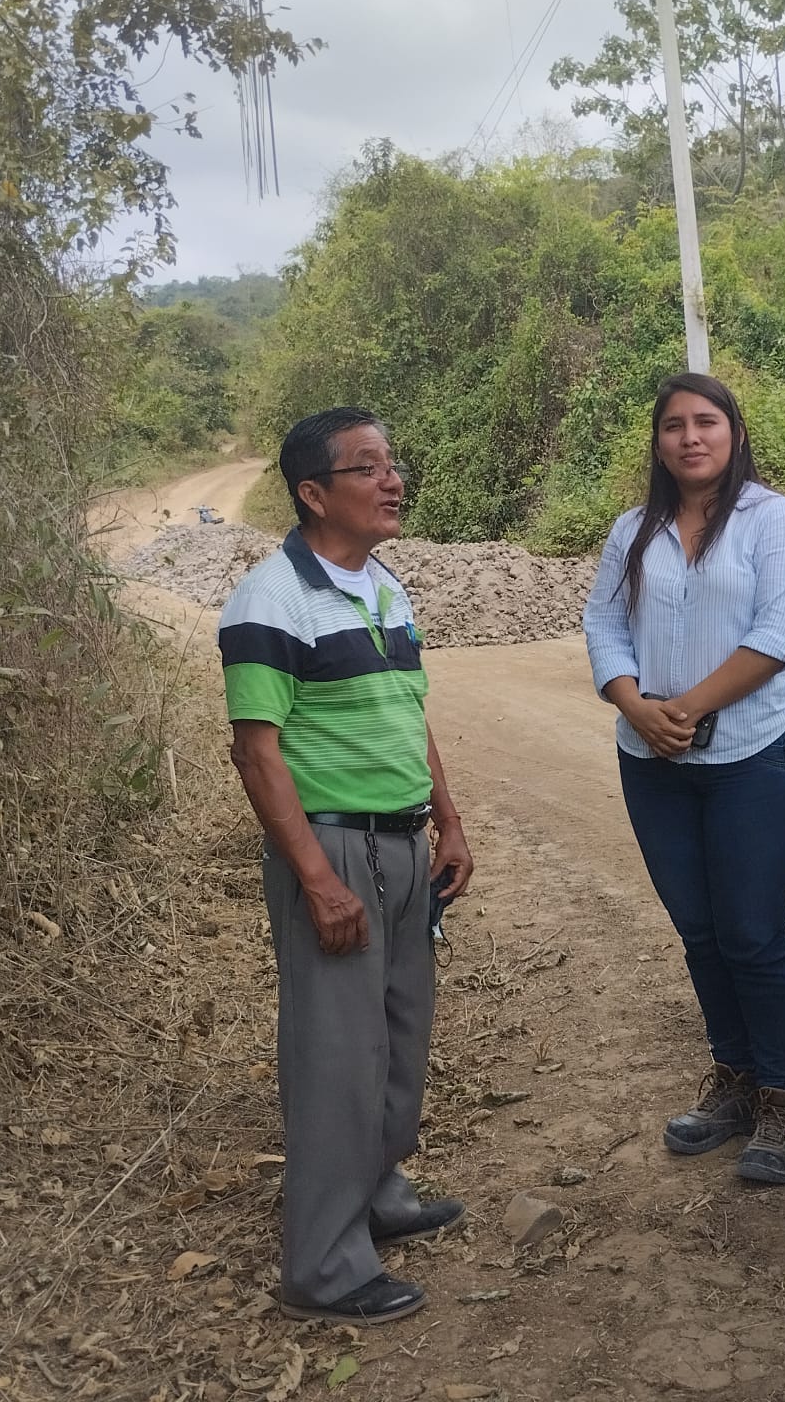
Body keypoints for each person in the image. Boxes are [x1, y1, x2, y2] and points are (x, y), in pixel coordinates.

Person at [219, 407, 474, 1326]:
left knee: (401, 1036)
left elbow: (408, 712)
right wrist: (317, 881)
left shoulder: (385, 588)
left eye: (391, 463)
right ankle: (323, 1269)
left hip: (402, 842)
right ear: (314, 493)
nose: (392, 480)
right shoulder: (269, 600)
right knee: (336, 1053)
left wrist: (447, 819)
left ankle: (379, 1194)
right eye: (367, 468)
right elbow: (257, 754)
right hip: (330, 846)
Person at [582, 373, 785, 1185]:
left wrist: (681, 708)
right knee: (700, 932)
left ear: (734, 433)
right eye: (674, 425)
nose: (690, 437)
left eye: (706, 422)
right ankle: (735, 1081)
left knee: (752, 935)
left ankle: (783, 1100)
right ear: (658, 443)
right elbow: (603, 623)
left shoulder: (773, 521)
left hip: (755, 757)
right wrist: (635, 706)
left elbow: (779, 633)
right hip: (652, 764)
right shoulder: (632, 531)